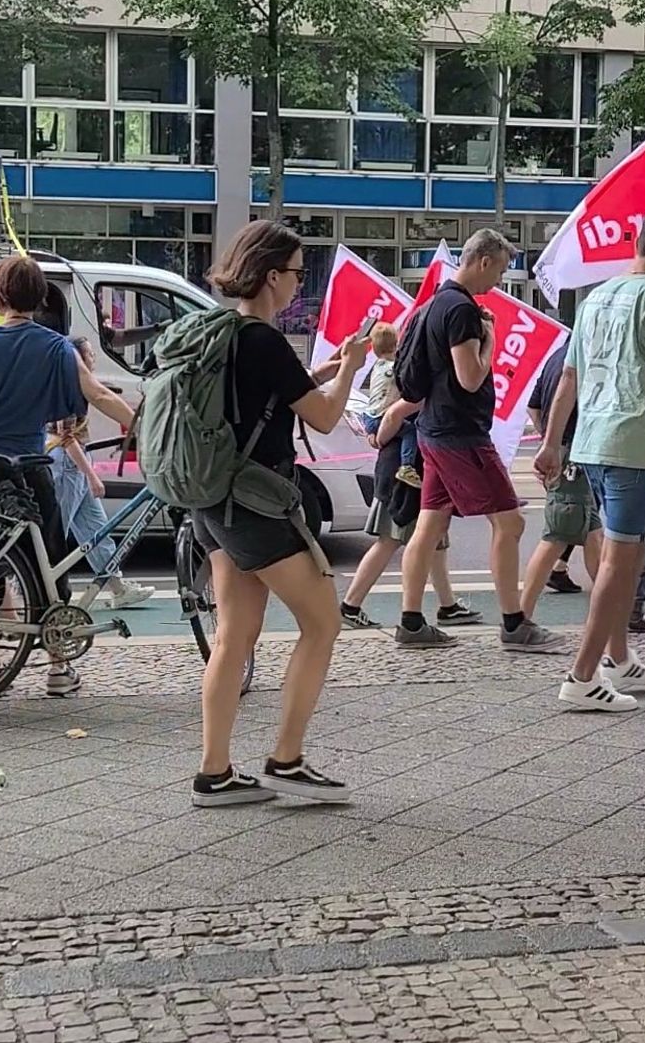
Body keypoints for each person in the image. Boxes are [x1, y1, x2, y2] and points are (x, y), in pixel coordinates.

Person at [191, 220, 368, 809]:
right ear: (272, 276)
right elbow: (321, 417)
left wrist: (327, 369)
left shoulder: (219, 331)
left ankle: (214, 772)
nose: (299, 283)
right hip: (257, 505)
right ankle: (286, 758)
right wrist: (352, 365)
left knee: (233, 635)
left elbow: (275, 394)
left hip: (211, 500)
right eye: (296, 272)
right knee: (323, 621)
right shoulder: (264, 340)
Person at [0, 256, 135, 695]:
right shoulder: (56, 348)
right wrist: (144, 426)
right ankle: (57, 667)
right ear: (41, 299)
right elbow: (98, 394)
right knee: (46, 567)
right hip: (27, 476)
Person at [535, 208, 645, 712]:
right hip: (634, 442)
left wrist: (550, 442)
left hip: (591, 440)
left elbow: (568, 377)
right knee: (620, 563)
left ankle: (619, 658)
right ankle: (582, 676)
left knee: (617, 555)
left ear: (636, 242)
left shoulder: (595, 298)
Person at [396, 228, 555, 652]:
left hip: (433, 428)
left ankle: (411, 621)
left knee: (428, 525)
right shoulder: (462, 310)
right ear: (483, 261)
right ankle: (513, 622)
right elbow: (470, 377)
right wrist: (492, 340)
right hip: (460, 434)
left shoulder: (434, 304)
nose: (498, 281)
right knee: (510, 521)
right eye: (500, 270)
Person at [340, 402, 481, 629]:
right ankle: (351, 605)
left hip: (407, 470)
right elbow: (392, 418)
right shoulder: (415, 385)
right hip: (407, 475)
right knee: (392, 539)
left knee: (434, 540)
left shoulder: (403, 383)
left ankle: (448, 605)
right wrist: (380, 434)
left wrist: (378, 434)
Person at [46, 338, 155, 611]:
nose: (95, 358)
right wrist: (91, 476)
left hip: (75, 462)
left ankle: (116, 586)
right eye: (91, 354)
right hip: (68, 464)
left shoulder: (75, 387)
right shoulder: (70, 390)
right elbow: (65, 438)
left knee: (96, 528)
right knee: (58, 531)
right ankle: (40, 590)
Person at [524, 338, 602, 601]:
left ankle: (612, 605)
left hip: (567, 453)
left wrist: (548, 438)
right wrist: (553, 443)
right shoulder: (583, 359)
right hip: (575, 456)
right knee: (556, 536)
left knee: (593, 532)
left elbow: (533, 406)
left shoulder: (556, 356)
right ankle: (519, 616)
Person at [363, 321, 421, 488]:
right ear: (397, 343)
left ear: (374, 348)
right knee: (410, 431)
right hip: (383, 417)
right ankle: (407, 466)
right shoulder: (397, 368)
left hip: (369, 416)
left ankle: (371, 433)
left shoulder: (377, 366)